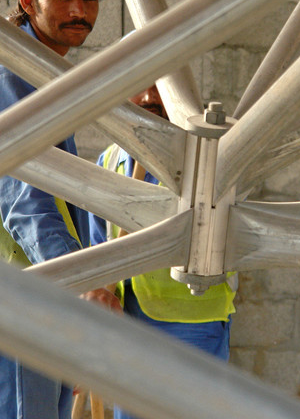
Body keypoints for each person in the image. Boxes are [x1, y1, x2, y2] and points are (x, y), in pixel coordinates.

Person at [0, 0, 121, 419]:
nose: (79, 12)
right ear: (27, 0)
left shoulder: (37, 69)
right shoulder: (8, 76)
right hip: (19, 291)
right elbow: (26, 202)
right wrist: (82, 281)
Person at [88, 83, 236, 419]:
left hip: (189, 319)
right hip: (126, 317)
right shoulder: (109, 158)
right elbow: (99, 242)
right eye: (138, 86)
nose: (149, 98)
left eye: (160, 89)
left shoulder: (203, 162)